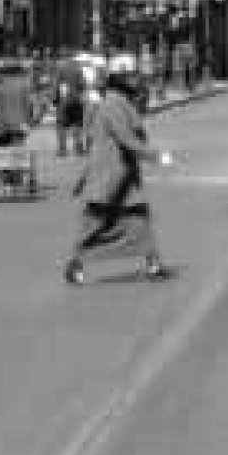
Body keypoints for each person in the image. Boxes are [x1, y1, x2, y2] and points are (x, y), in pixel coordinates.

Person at [63, 54, 169, 287]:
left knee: (139, 220)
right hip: (110, 177)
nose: (135, 80)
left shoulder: (120, 101)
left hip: (123, 176)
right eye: (130, 76)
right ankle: (76, 263)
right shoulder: (113, 104)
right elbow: (125, 137)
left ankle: (153, 263)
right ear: (120, 78)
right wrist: (155, 155)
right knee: (95, 224)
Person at [53, 50, 87, 159]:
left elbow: (56, 84)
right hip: (77, 99)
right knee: (77, 124)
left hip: (64, 101)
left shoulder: (60, 67)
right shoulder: (78, 68)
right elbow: (83, 84)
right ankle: (78, 147)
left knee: (61, 125)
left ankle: (62, 149)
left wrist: (55, 99)